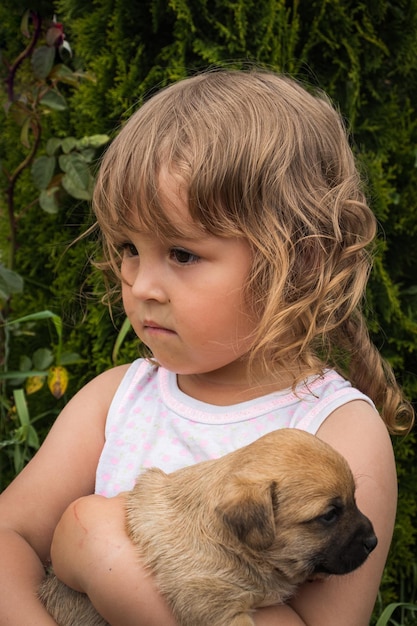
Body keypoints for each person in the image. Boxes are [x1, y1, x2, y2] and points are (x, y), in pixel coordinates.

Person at [0, 69, 414, 626]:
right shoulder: (114, 400)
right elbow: (10, 536)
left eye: (182, 254)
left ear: (300, 260)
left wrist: (111, 563)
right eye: (129, 248)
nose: (140, 285)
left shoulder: (338, 428)